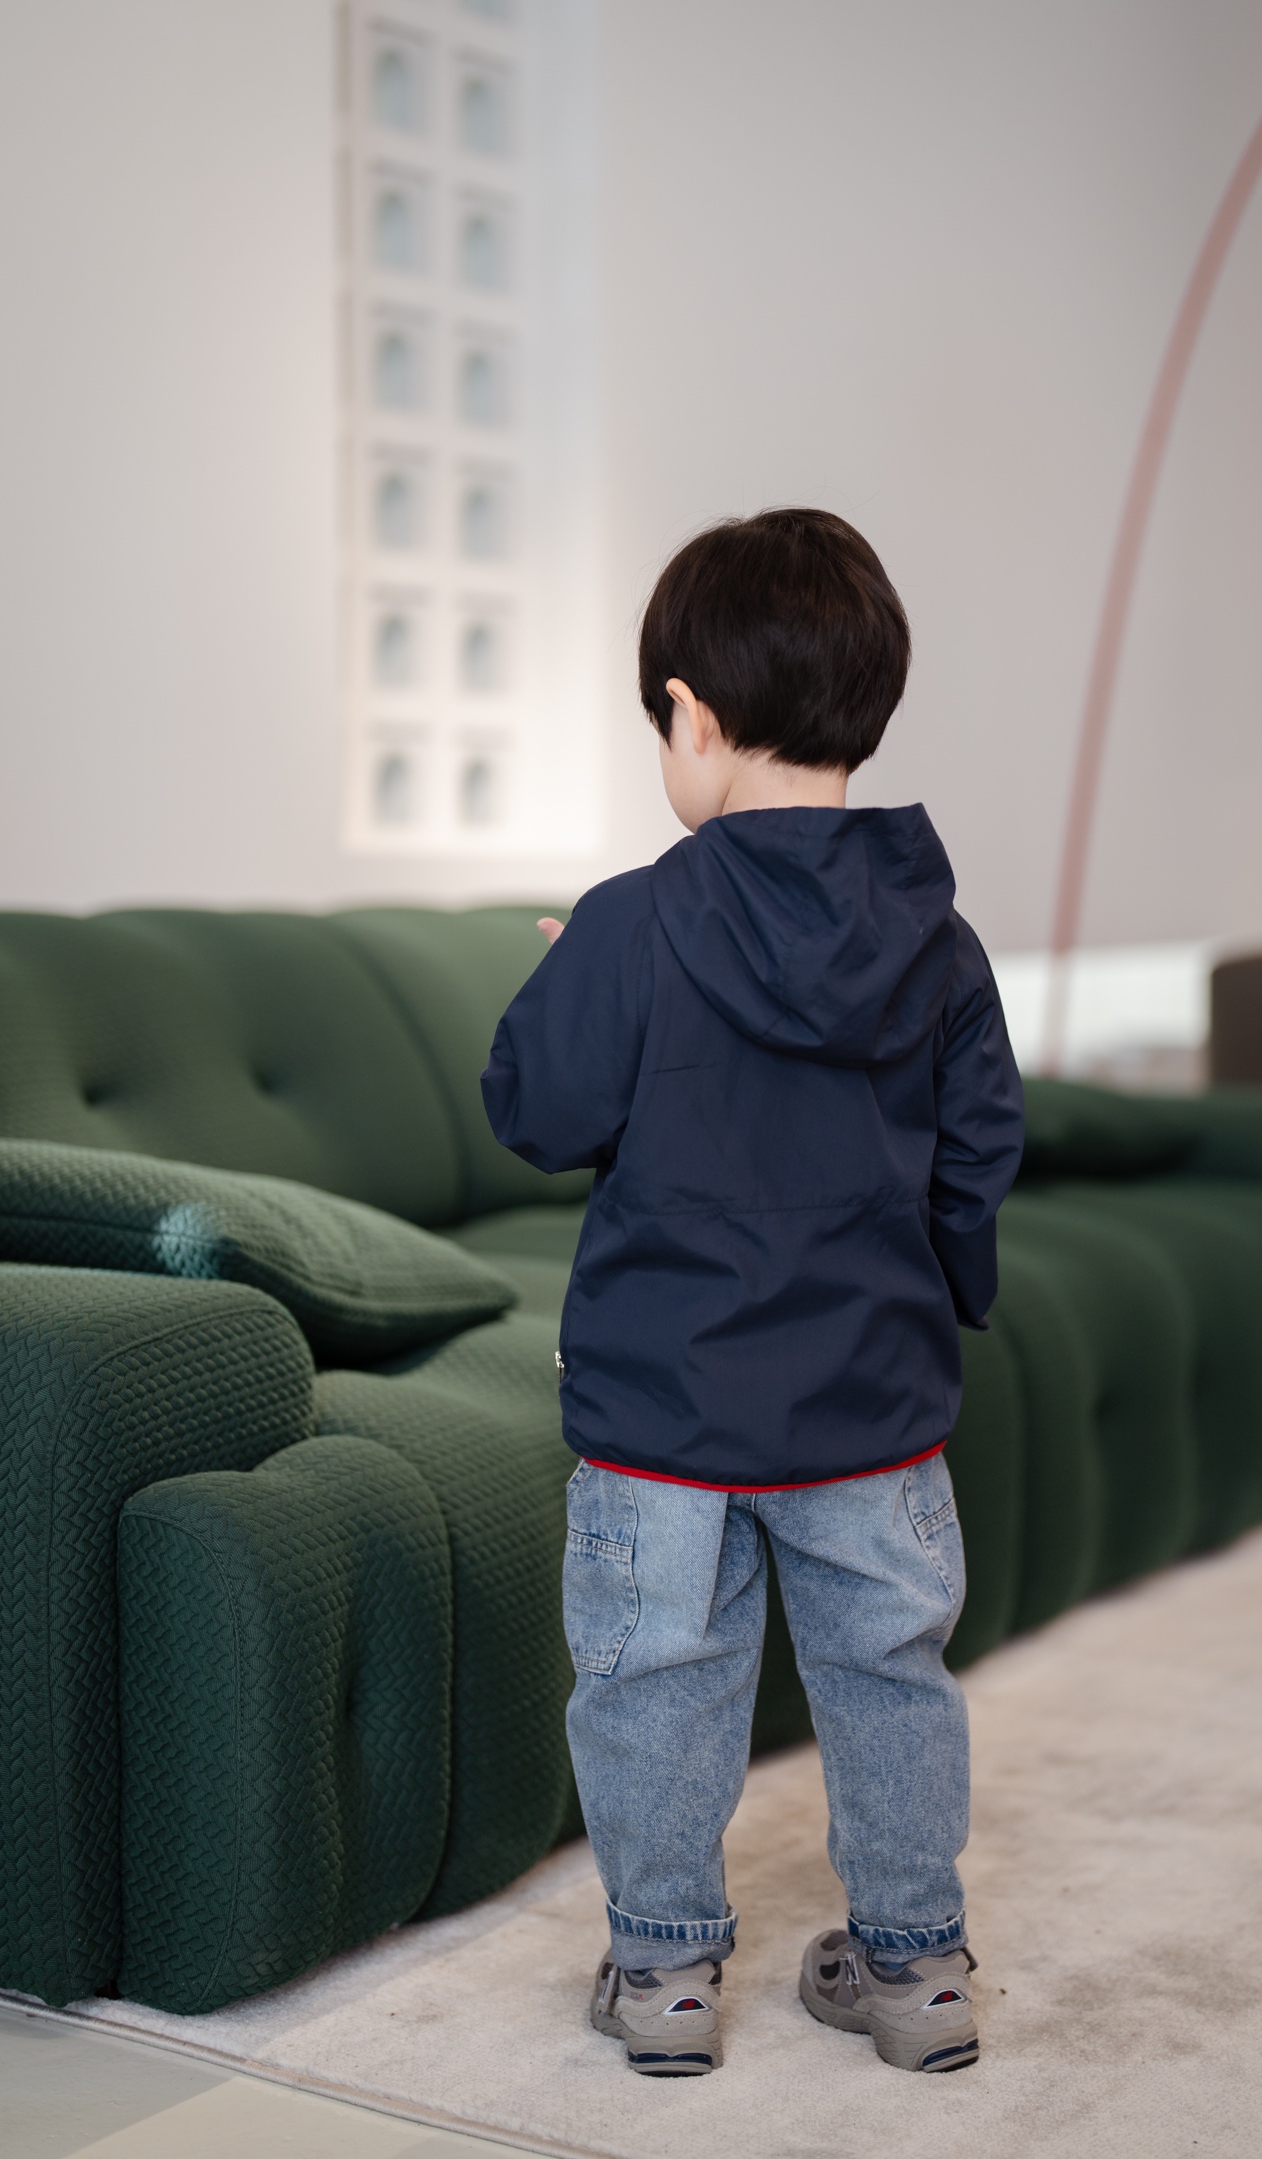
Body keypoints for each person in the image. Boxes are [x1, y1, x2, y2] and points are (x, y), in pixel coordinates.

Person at [480, 508, 1023, 2078]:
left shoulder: (636, 921)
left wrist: (578, 974)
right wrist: (933, 1300)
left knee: (657, 1679)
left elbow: (535, 1112)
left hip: (664, 1410)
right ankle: (918, 1970)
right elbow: (980, 1151)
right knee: (888, 1676)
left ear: (692, 715)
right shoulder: (940, 941)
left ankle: (663, 1974)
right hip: (871, 1405)